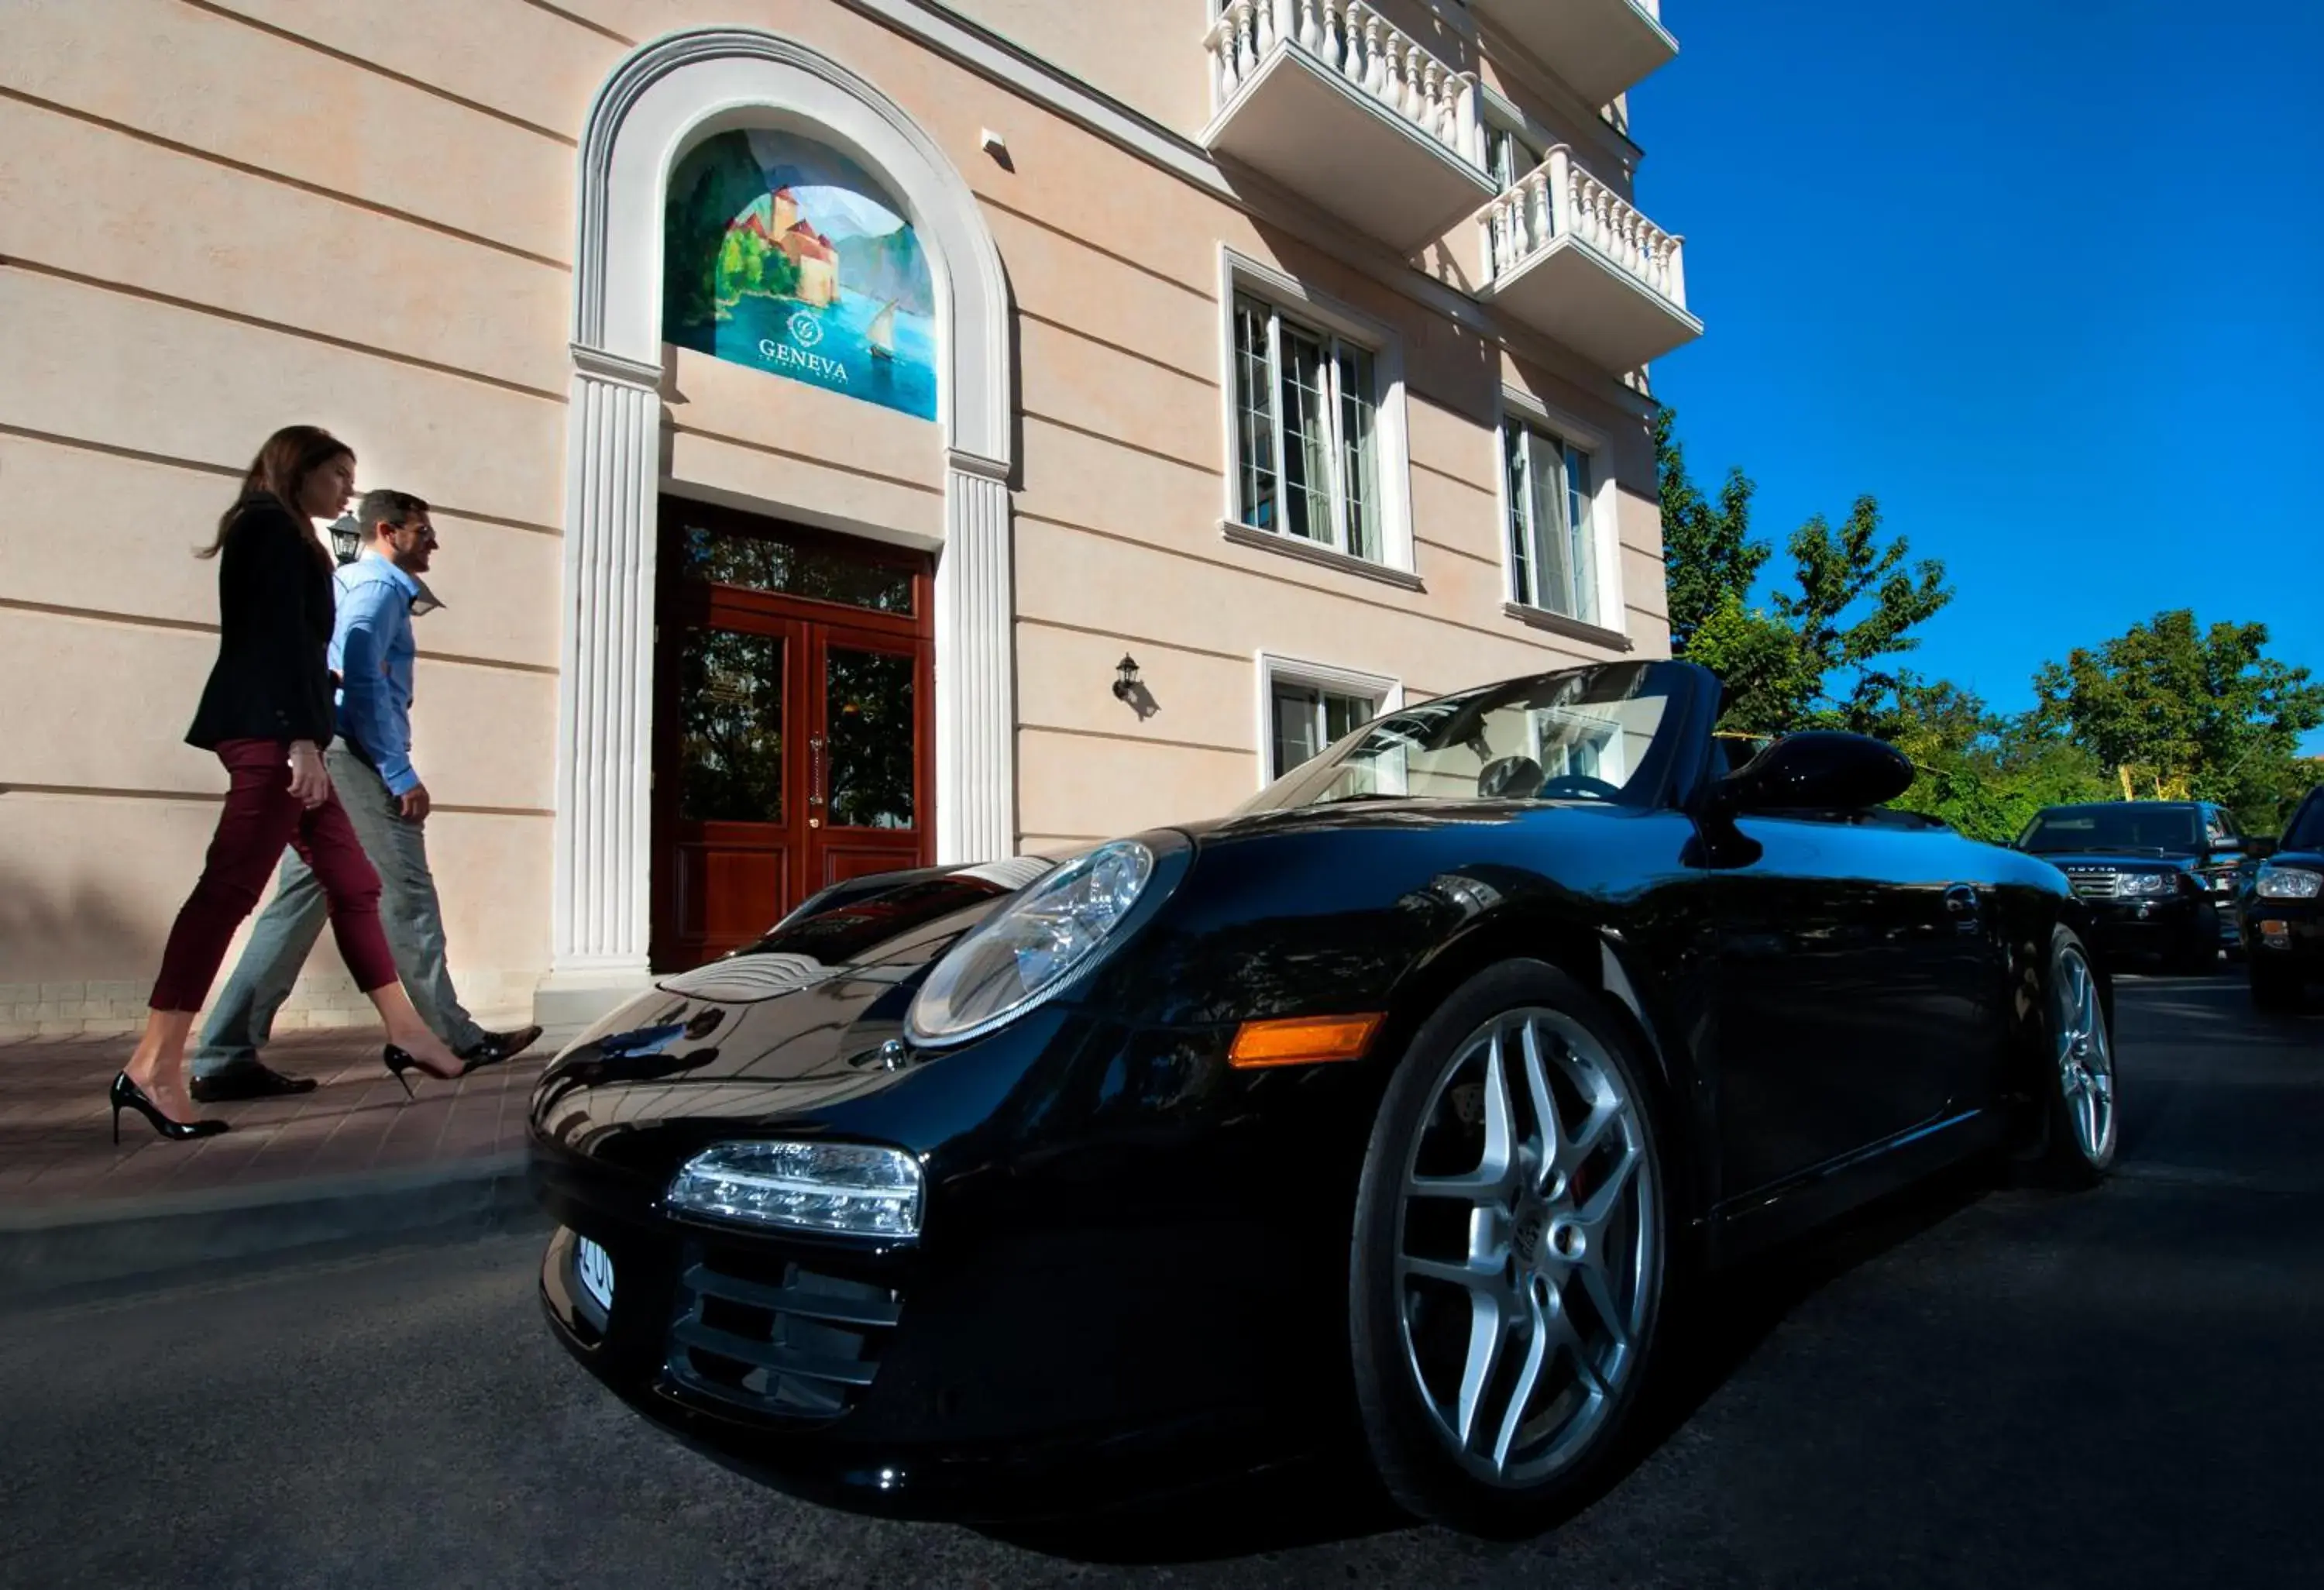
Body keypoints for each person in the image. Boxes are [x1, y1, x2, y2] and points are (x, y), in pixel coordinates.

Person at [112, 427, 477, 1142]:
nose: (347, 488)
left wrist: (313, 702)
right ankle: (154, 1066)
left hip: (286, 729)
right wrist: (302, 739)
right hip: (275, 738)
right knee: (227, 894)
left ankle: (409, 1032)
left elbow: (299, 647)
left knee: (353, 882)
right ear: (300, 469)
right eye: (338, 474)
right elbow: (279, 640)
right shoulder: (273, 530)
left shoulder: (280, 532)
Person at [186, 488, 541, 1102]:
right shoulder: (378, 591)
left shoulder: (354, 583)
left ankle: (224, 1056)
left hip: (335, 755)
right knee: (407, 896)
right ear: (387, 530)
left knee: (298, 905)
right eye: (422, 530)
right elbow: (363, 683)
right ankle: (448, 1037)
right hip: (358, 759)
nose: (433, 542)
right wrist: (399, 772)